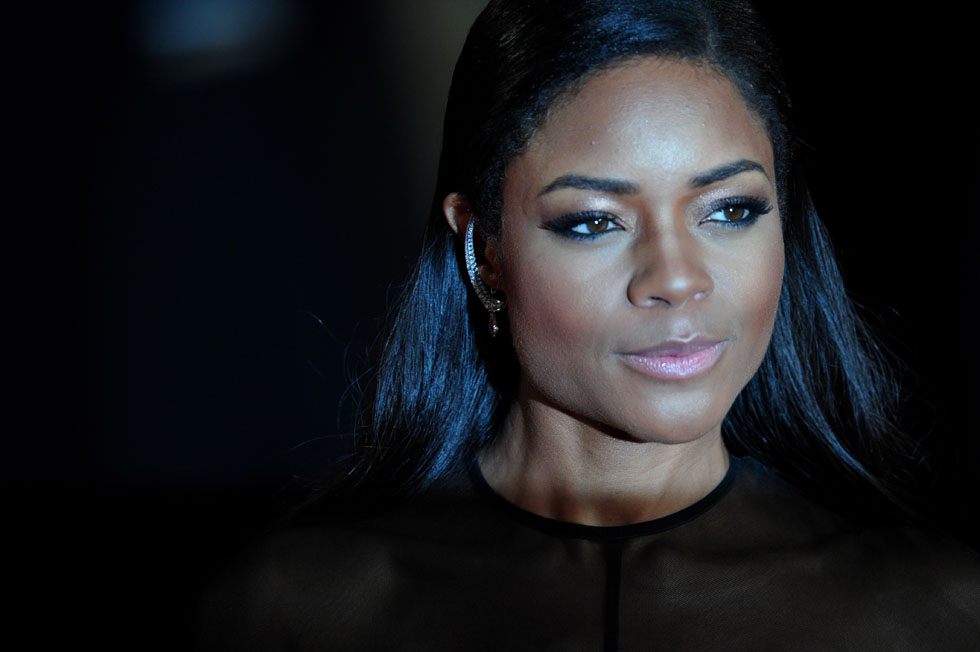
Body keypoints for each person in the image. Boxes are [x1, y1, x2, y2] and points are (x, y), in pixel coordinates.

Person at [196, 1, 980, 649]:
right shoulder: (302, 608)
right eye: (594, 221)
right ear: (485, 251)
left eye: (730, 210)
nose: (677, 278)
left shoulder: (931, 609)